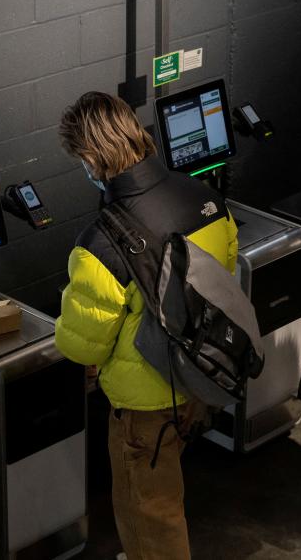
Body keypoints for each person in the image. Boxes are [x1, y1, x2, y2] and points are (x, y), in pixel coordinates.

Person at [53, 92, 237, 560]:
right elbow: (226, 275)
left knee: (150, 510)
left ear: (93, 160)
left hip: (145, 402)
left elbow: (85, 347)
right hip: (199, 376)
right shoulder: (205, 199)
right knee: (163, 496)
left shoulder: (101, 243)